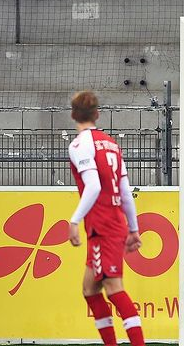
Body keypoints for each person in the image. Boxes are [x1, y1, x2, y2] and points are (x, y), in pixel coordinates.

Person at [67, 91, 145, 346]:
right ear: (97, 114)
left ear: (73, 115)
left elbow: (93, 187)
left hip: (102, 225)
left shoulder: (80, 145)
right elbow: (124, 191)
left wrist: (74, 220)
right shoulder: (111, 144)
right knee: (89, 290)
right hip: (114, 223)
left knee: (114, 288)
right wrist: (132, 228)